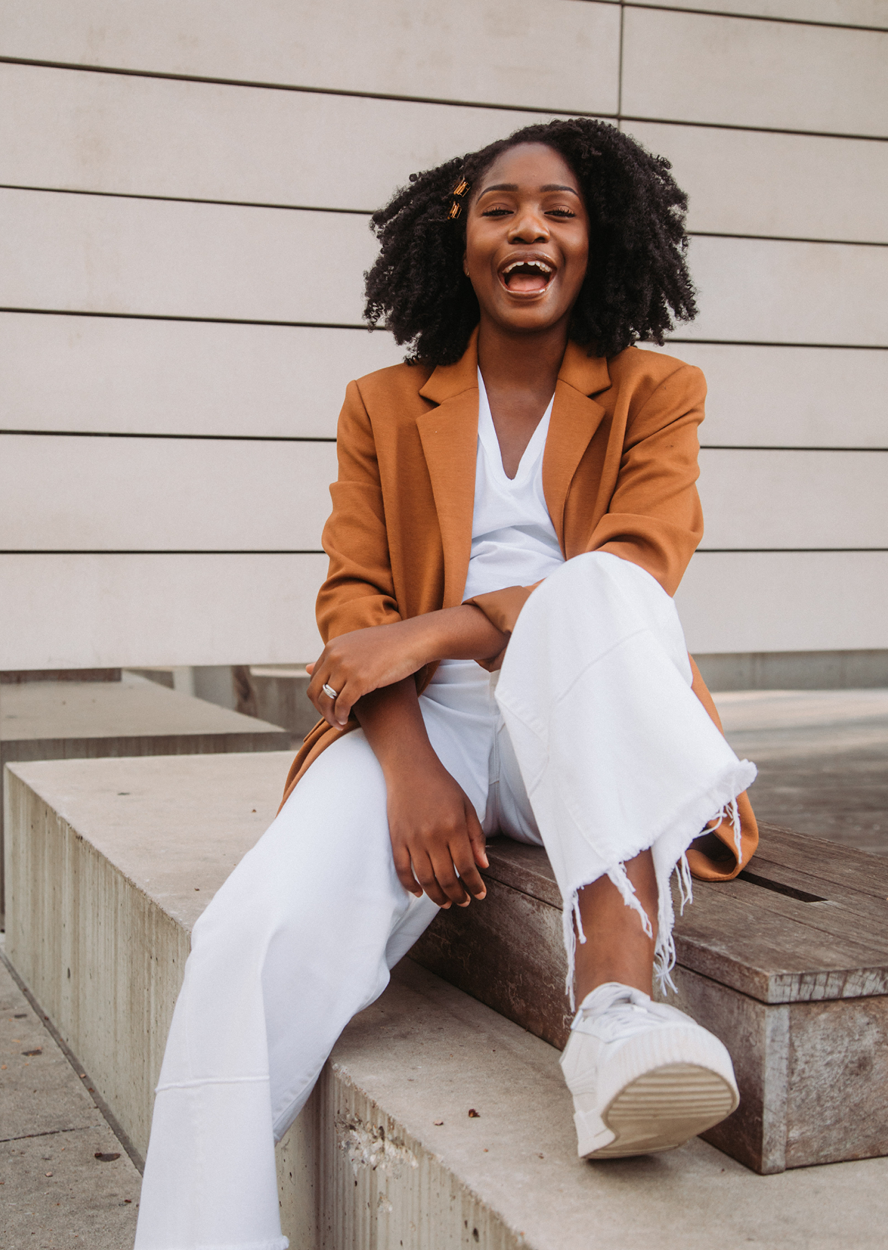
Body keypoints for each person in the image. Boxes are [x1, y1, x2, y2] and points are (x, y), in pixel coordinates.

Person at [131, 118, 757, 1249]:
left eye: (560, 208)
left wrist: (431, 630)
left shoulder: (658, 388)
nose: (531, 226)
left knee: (600, 593)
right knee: (243, 935)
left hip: (592, 701)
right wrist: (411, 762)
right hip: (430, 723)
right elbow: (352, 601)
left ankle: (616, 1014)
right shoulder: (383, 403)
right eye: (501, 206)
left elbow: (638, 560)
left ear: (597, 237)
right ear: (458, 235)